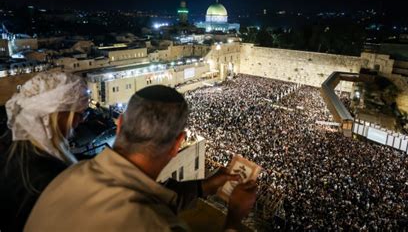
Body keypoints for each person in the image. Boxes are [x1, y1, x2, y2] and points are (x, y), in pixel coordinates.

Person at [25, 85, 258, 231]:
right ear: (178, 144)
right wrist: (234, 219)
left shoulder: (69, 174)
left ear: (119, 125)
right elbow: (146, 210)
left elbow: (148, 197)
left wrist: (205, 185)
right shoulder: (158, 225)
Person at [0, 72, 90, 232]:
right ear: (58, 115)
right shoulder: (50, 177)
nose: (81, 121)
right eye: (80, 113)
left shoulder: (10, 148)